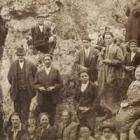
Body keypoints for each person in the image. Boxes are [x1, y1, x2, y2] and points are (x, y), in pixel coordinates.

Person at [8, 47, 37, 122]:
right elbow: (9, 78)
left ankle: (24, 125)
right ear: (17, 56)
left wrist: (31, 84)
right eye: (19, 55)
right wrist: (15, 85)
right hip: (16, 91)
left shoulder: (30, 64)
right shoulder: (13, 65)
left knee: (25, 109)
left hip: (26, 91)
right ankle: (18, 126)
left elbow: (35, 75)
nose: (20, 57)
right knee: (17, 109)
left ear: (24, 55)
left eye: (22, 55)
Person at [98, 32, 124, 114]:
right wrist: (101, 55)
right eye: (105, 38)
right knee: (104, 91)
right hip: (104, 73)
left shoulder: (117, 49)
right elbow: (100, 61)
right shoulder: (104, 48)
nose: (107, 40)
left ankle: (115, 111)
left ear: (112, 38)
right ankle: (107, 111)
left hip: (114, 74)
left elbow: (121, 61)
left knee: (111, 92)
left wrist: (110, 61)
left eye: (109, 38)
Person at [34, 54, 63, 126]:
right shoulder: (39, 72)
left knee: (51, 117)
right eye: (45, 60)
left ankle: (51, 132)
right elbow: (34, 85)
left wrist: (54, 87)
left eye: (49, 60)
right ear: (43, 61)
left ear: (51, 61)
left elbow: (61, 84)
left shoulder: (56, 71)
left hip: (52, 98)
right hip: (42, 98)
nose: (47, 61)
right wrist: (39, 88)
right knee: (42, 117)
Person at [114, 67, 140, 140]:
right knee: (118, 116)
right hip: (130, 105)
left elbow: (139, 98)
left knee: (124, 119)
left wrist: (128, 104)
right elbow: (128, 96)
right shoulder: (133, 82)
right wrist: (124, 103)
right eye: (137, 72)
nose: (139, 74)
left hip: (138, 107)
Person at [74, 69, 98, 135]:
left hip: (90, 112)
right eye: (82, 76)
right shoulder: (78, 86)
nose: (84, 77)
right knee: (82, 130)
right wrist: (77, 107)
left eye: (85, 76)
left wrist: (90, 108)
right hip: (81, 112)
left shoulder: (93, 86)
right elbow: (75, 99)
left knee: (90, 130)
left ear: (88, 76)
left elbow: (97, 99)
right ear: (79, 78)